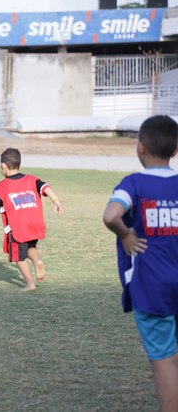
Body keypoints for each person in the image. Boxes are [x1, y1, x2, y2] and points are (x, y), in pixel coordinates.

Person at [102, 115, 178, 412]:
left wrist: (126, 236)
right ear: (175, 150)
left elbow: (111, 215)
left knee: (163, 360)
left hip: (153, 286)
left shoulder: (133, 183)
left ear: (140, 147)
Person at [0, 148, 63, 292]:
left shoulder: (1, 186)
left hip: (18, 227)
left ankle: (30, 284)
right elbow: (45, 187)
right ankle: (37, 261)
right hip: (35, 224)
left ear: (3, 167)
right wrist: (55, 200)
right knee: (30, 247)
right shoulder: (32, 179)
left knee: (19, 257)